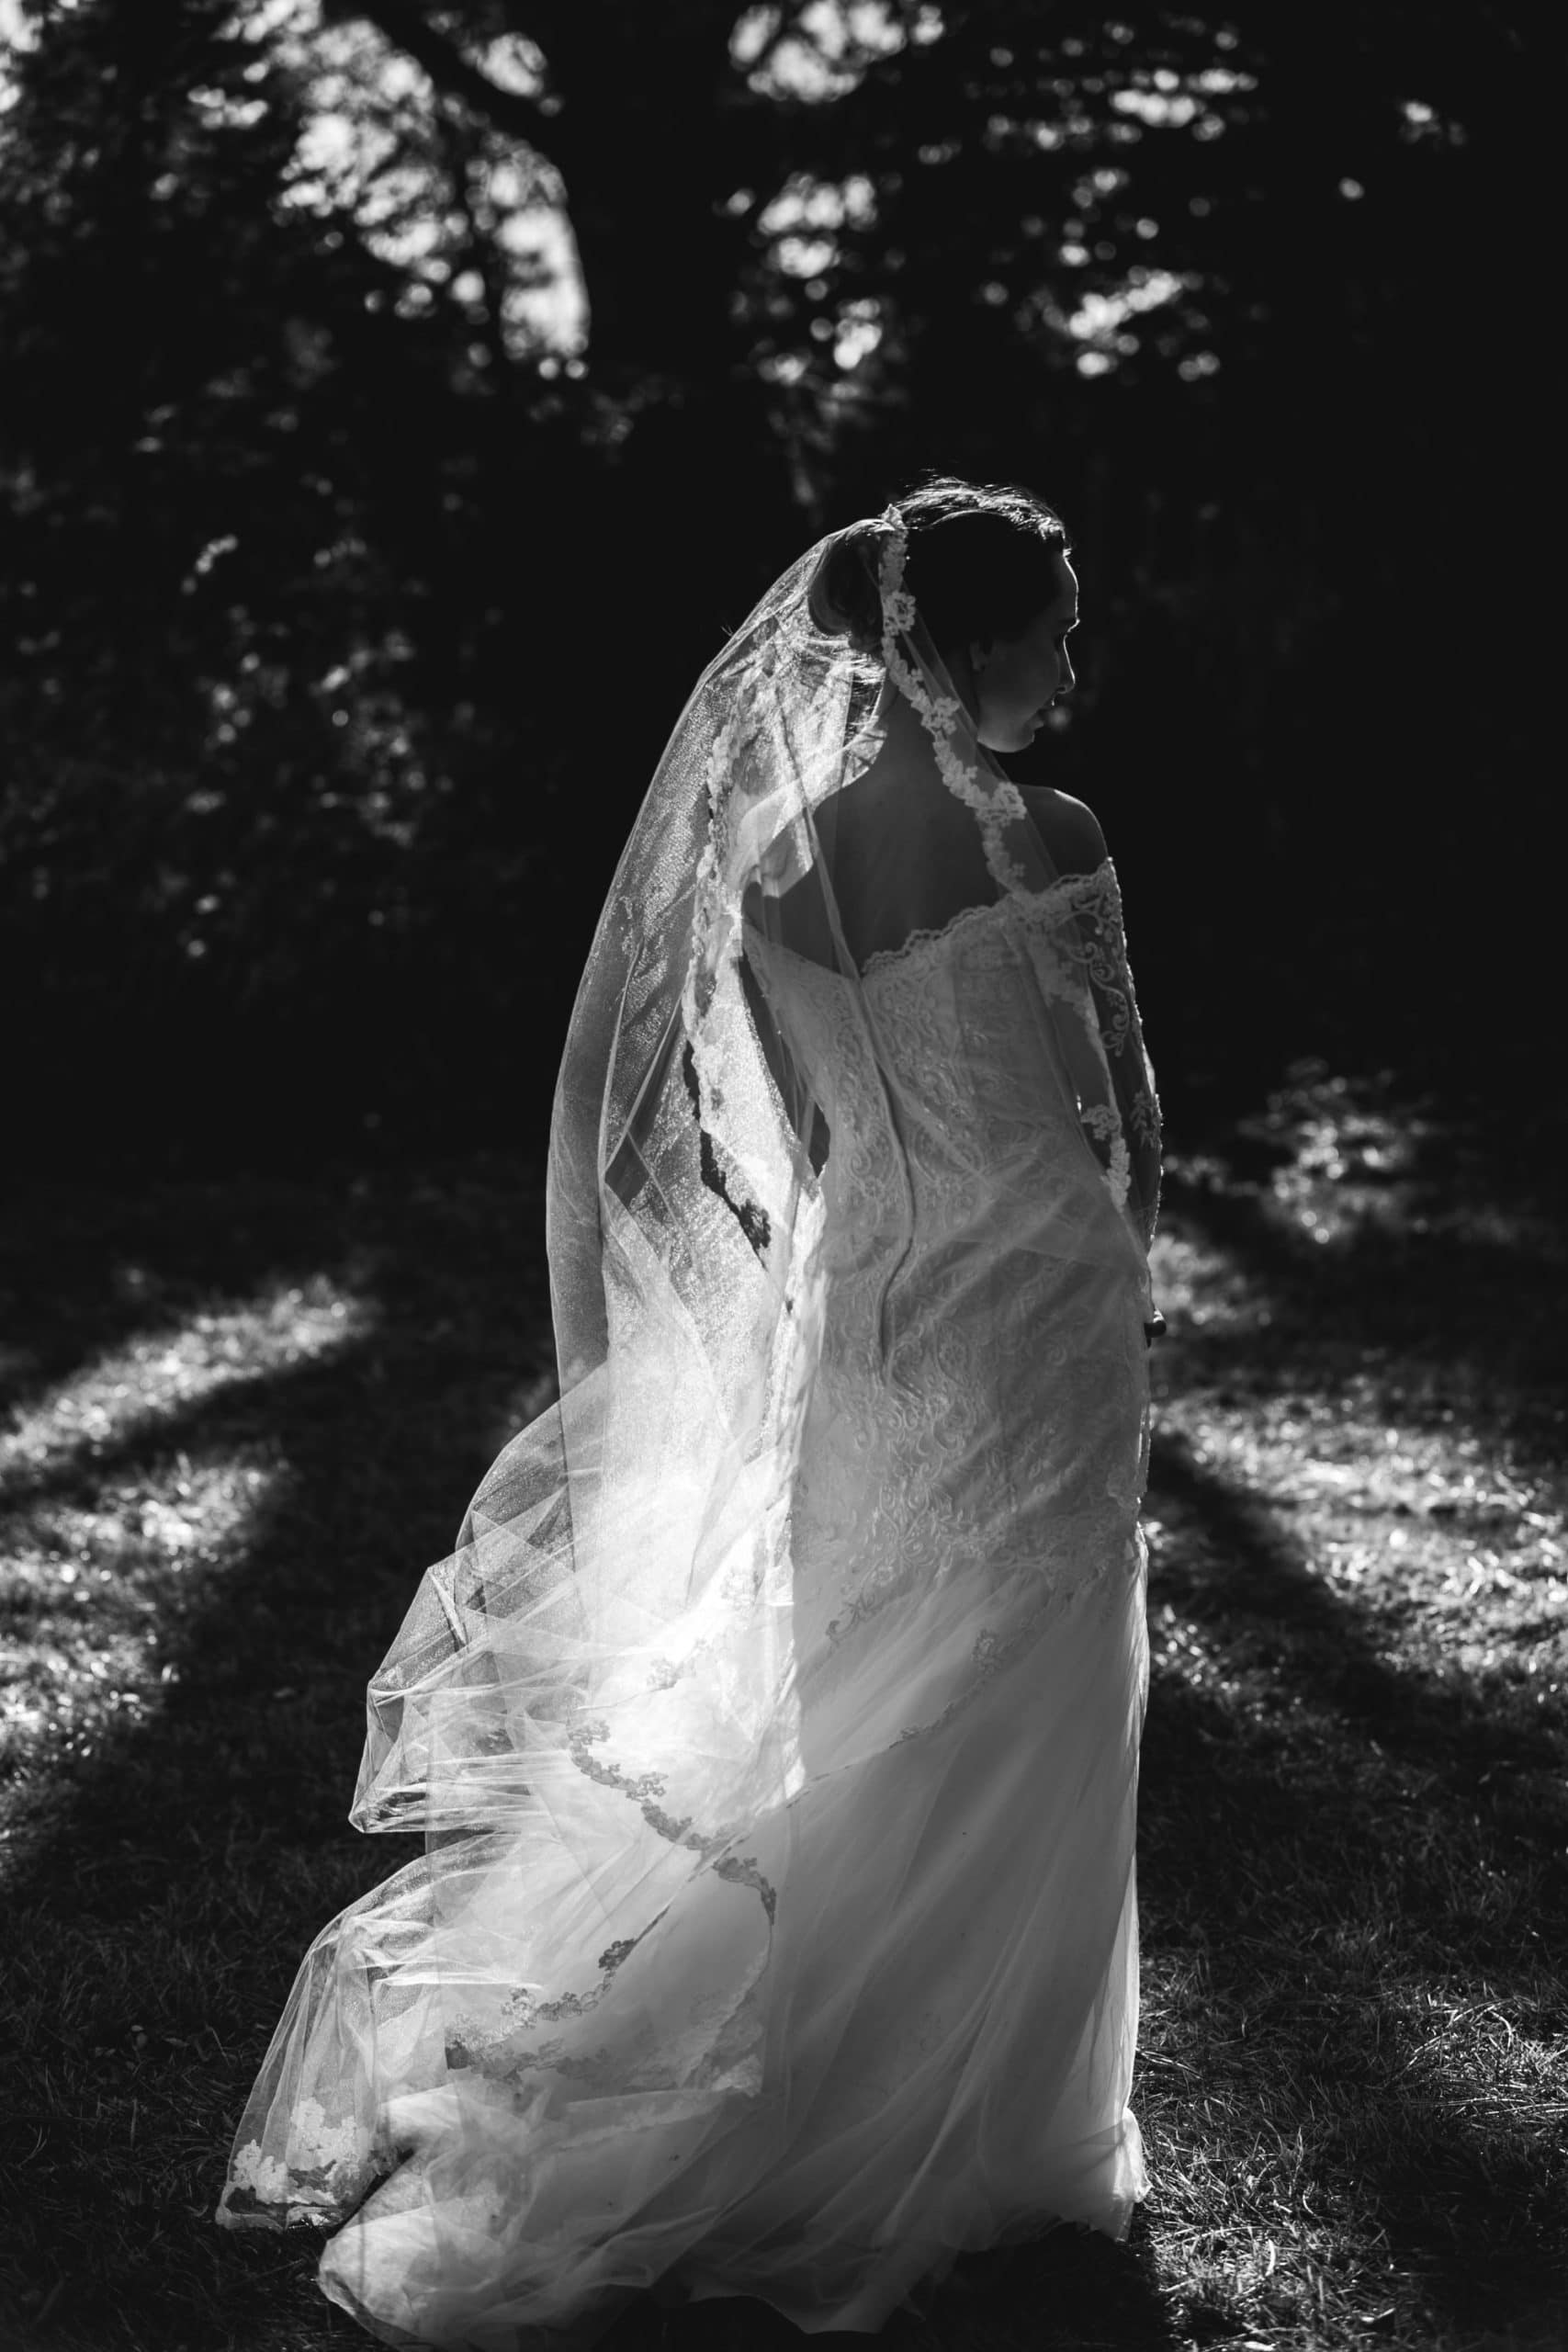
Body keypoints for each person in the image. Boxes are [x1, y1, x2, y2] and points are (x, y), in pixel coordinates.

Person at [216, 475, 1162, 2347]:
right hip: (1038, 1325)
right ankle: (1007, 2129)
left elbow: (788, 1155)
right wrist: (1104, 1244)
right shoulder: (1046, 830)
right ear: (957, 646)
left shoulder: (774, 875)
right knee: (1037, 1703)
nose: (1070, 661)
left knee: (874, 1707)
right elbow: (1121, 1113)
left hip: (872, 1348)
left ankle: (841, 2078)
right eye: (1049, 626)